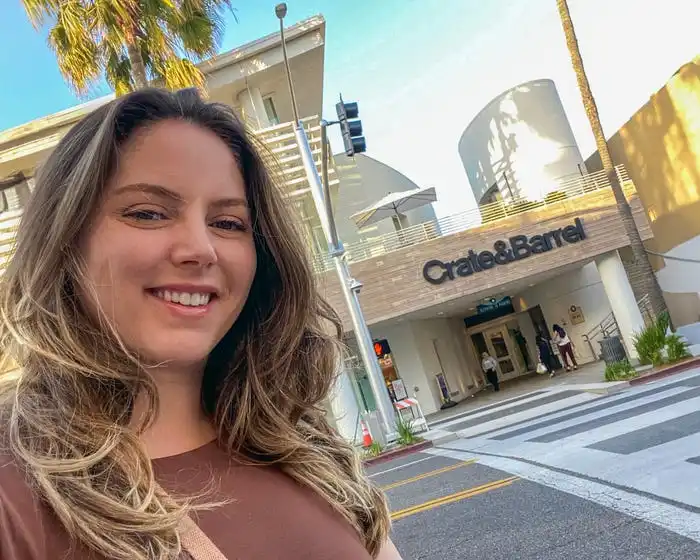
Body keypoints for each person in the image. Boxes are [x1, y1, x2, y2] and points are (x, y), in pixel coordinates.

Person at [0, 89, 402, 560]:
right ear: (65, 240)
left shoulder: (302, 444)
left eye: (229, 223)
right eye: (148, 213)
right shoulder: (16, 493)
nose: (201, 248)